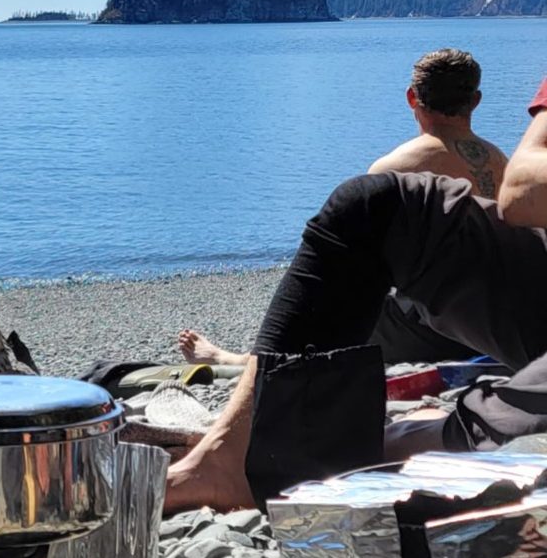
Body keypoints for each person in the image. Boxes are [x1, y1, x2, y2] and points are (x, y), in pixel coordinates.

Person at [166, 73, 547, 514]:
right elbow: (520, 189)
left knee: (398, 341)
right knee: (373, 209)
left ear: (414, 101)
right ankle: (233, 458)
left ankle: (400, 440)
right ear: (474, 101)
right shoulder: (489, 156)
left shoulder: (408, 153)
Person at [177, 49, 505, 369]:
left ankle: (241, 363)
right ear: (475, 100)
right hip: (497, 325)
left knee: (326, 309)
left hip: (435, 328)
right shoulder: (502, 163)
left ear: (411, 98)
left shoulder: (393, 172)